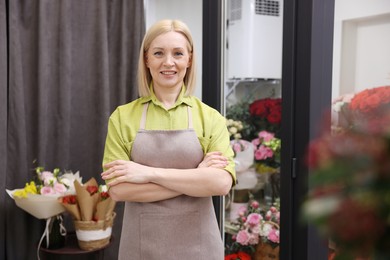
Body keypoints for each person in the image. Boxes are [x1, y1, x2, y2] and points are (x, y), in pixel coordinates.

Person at [101, 19, 236, 260]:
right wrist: (196, 176)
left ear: (189, 59)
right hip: (141, 248)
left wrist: (147, 173)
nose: (168, 62)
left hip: (200, 248)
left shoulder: (209, 118)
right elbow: (119, 190)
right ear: (146, 59)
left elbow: (220, 184)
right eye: (159, 53)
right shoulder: (122, 117)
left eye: (178, 53)